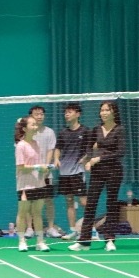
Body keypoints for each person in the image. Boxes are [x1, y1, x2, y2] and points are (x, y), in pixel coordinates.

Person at [71, 101, 125, 252]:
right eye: (102, 110)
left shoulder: (119, 130)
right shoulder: (96, 129)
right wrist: (88, 160)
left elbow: (120, 152)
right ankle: (84, 241)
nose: (104, 113)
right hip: (97, 172)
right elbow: (89, 147)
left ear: (113, 112)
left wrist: (99, 158)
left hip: (114, 171)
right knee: (90, 205)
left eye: (107, 110)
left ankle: (110, 240)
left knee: (111, 205)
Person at [53, 102, 93, 240]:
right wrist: (56, 159)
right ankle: (73, 230)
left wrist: (86, 158)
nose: (67, 114)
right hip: (64, 172)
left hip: (78, 171)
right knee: (69, 201)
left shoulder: (85, 131)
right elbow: (58, 148)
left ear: (78, 114)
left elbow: (92, 148)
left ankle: (92, 230)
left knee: (83, 202)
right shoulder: (63, 132)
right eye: (66, 112)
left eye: (70, 112)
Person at [14, 117, 51, 252]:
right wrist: (37, 167)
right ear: (25, 129)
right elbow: (20, 167)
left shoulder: (36, 143)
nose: (36, 127)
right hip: (25, 185)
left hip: (39, 183)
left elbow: (38, 163)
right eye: (33, 125)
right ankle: (22, 241)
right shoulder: (21, 146)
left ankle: (40, 241)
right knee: (22, 213)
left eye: (36, 125)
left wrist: (44, 168)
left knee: (37, 213)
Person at [28, 105, 62, 240]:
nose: (40, 116)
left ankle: (51, 228)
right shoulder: (27, 132)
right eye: (36, 114)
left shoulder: (49, 132)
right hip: (30, 172)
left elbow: (50, 150)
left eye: (42, 114)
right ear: (31, 116)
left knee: (49, 200)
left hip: (46, 172)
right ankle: (30, 228)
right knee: (29, 200)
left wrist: (46, 167)